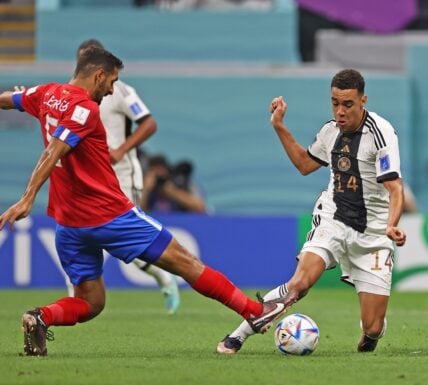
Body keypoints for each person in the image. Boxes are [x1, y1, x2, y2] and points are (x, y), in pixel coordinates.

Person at [0, 46, 293, 356]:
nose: (111, 90)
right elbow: (54, 150)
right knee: (186, 262)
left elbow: (8, 100)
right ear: (98, 75)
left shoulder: (45, 94)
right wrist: (26, 198)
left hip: (69, 223)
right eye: (111, 82)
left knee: (90, 302)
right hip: (109, 214)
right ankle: (253, 310)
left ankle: (41, 317)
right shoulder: (84, 109)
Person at [216, 69, 407, 354]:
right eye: (334, 103)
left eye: (348, 104)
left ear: (363, 100)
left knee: (373, 326)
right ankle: (238, 336)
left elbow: (395, 188)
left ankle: (371, 332)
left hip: (374, 231)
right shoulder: (330, 132)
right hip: (334, 218)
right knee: (299, 284)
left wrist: (392, 224)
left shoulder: (381, 134)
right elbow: (305, 165)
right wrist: (279, 126)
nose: (340, 111)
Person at [76, 39, 180, 315]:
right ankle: (76, 301)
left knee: (129, 244)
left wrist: (121, 149)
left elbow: (149, 122)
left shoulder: (120, 90)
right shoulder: (71, 93)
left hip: (121, 177)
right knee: (83, 240)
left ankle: (164, 277)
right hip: (88, 181)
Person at [140, 155, 207, 214]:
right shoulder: (148, 192)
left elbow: (201, 208)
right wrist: (146, 190)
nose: (159, 176)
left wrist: (173, 192)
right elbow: (138, 213)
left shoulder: (180, 184)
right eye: (154, 172)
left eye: (161, 171)